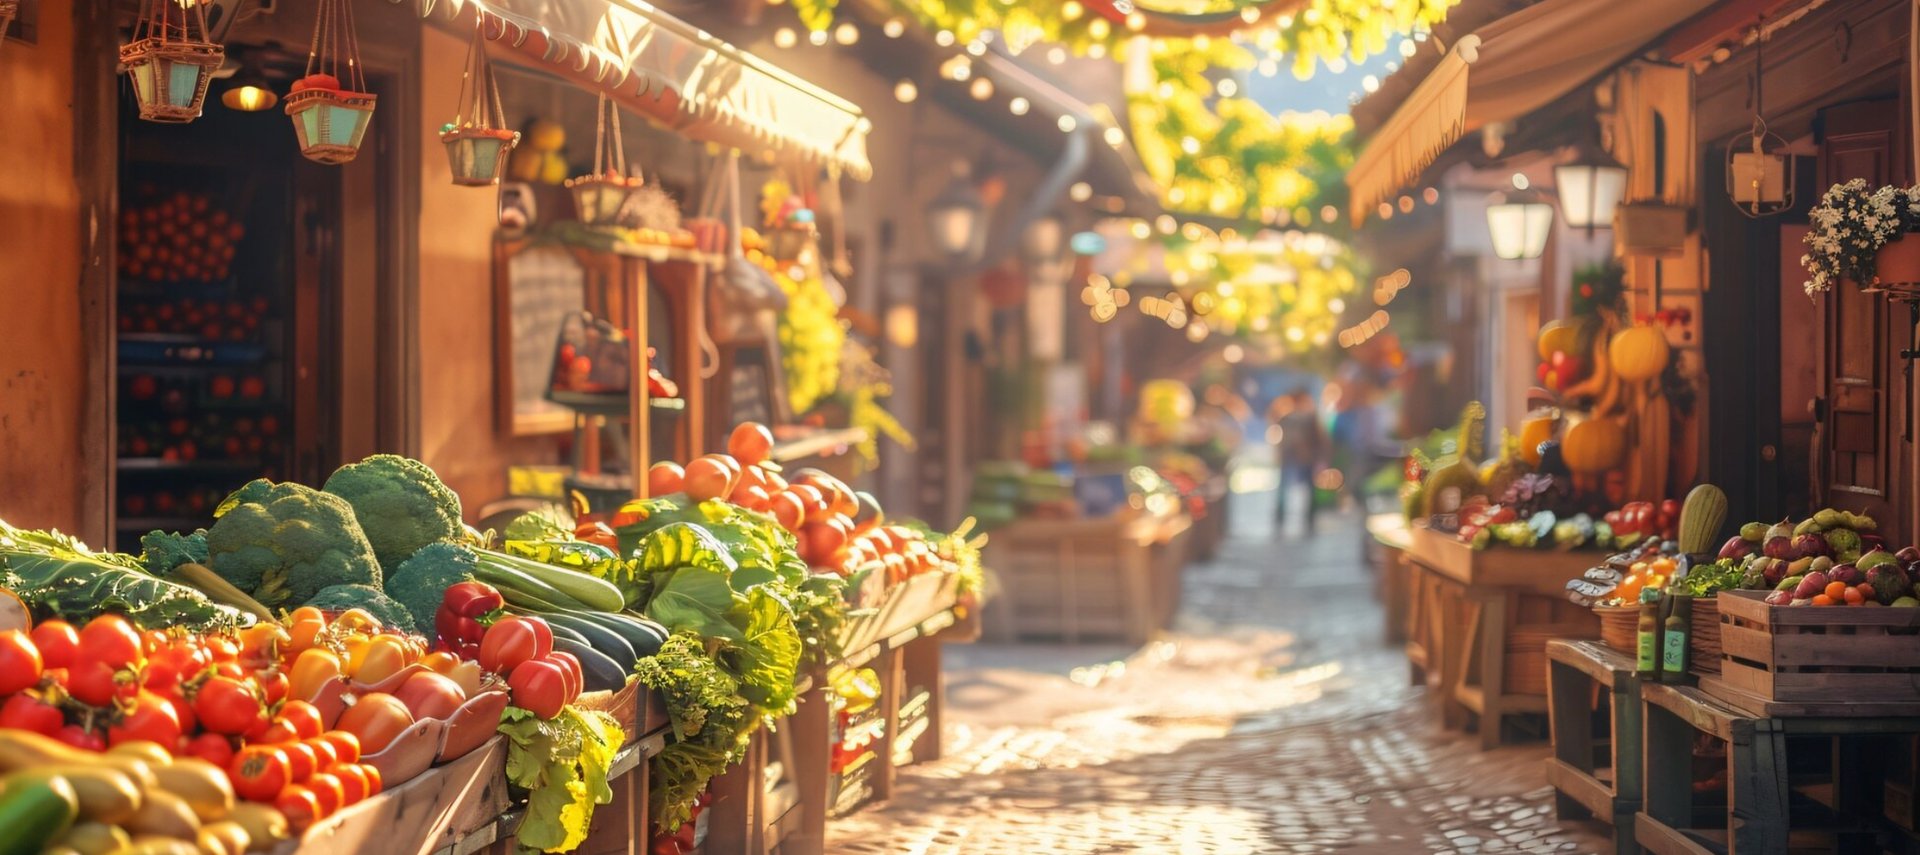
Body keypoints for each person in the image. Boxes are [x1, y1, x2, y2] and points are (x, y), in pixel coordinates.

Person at [1272, 388, 1327, 535]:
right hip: (1293, 458)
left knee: (1307, 491)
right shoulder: (1288, 418)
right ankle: (1283, 519)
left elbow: (1320, 439)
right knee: (1286, 491)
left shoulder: (1308, 418)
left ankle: (1308, 520)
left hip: (1305, 458)